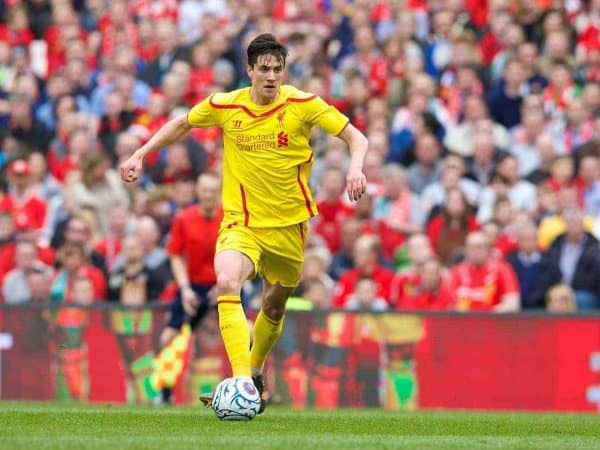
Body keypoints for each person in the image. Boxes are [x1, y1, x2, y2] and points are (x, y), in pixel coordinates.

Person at [120, 33, 368, 413]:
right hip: (242, 223)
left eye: (277, 70)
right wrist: (141, 153)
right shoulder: (226, 105)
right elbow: (182, 123)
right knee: (227, 280)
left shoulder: (303, 104)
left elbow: (356, 136)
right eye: (264, 69)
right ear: (249, 70)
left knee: (273, 305)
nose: (271, 76)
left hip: (289, 227)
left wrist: (354, 168)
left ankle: (254, 371)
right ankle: (241, 382)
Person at [157, 172, 223, 403]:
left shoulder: (229, 217)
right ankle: (164, 393)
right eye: (204, 190)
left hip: (224, 283)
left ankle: (254, 388)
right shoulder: (184, 219)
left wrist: (224, 285)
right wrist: (184, 289)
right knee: (169, 336)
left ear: (219, 193)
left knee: (249, 331)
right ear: (198, 192)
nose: (208, 195)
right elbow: (175, 255)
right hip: (193, 285)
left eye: (213, 191)